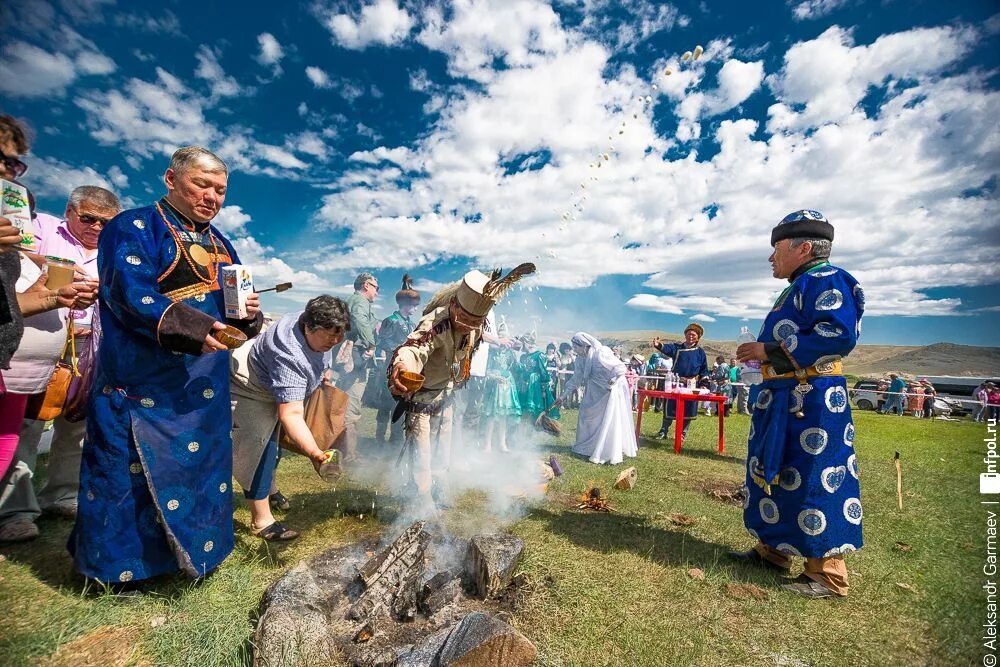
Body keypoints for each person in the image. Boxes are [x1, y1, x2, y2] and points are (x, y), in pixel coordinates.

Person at [69, 146, 263, 586]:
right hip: (141, 384)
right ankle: (118, 574)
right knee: (124, 475)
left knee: (201, 470)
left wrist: (247, 313)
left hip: (205, 385)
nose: (212, 196)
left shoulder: (223, 244)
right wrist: (191, 326)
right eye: (202, 184)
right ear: (171, 179)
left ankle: (196, 557)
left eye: (221, 190)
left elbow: (236, 315)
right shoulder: (133, 226)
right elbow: (128, 293)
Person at [731, 209, 863, 599]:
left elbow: (836, 335)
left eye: (777, 249)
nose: (771, 258)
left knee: (813, 475)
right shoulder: (799, 285)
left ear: (803, 248)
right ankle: (773, 551)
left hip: (814, 402)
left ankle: (827, 572)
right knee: (776, 471)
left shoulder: (829, 279)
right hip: (784, 397)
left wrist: (768, 349)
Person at [0, 186, 119, 543]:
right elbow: (13, 257)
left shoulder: (114, 251)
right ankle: (14, 509)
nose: (96, 227)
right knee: (26, 423)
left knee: (77, 422)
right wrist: (55, 270)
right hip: (34, 340)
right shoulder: (43, 229)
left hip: (89, 343)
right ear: (70, 212)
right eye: (88, 218)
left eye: (105, 222)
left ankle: (62, 495)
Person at [388, 265, 533, 511]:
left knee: (443, 450)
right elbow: (414, 348)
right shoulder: (436, 322)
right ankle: (421, 501)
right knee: (421, 454)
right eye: (464, 320)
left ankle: (439, 489)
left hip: (446, 397)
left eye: (475, 322)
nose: (468, 326)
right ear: (454, 305)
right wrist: (402, 365)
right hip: (421, 399)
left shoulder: (476, 326)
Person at [230, 296, 350, 540]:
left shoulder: (309, 320)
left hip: (275, 384)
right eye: (330, 335)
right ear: (308, 327)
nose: (336, 341)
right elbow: (291, 414)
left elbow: (318, 352)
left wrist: (320, 373)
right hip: (251, 389)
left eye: (340, 334)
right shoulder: (289, 356)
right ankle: (261, 521)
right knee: (259, 450)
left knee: (275, 448)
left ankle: (270, 490)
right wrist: (316, 455)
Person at [0, 115, 34, 483]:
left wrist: (54, 296)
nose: (7, 170)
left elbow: (11, 300)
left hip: (6, 357)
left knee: (6, 440)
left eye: (12, 161)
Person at [552, 332, 637, 465]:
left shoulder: (601, 353)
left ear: (584, 345)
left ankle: (604, 449)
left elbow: (620, 368)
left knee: (606, 419)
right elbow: (576, 379)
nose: (574, 349)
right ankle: (586, 447)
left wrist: (614, 380)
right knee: (585, 415)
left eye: (575, 347)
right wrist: (562, 397)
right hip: (593, 390)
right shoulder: (580, 359)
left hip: (609, 389)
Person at [372, 275, 420, 445]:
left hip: (405, 369)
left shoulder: (412, 325)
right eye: (414, 305)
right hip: (388, 368)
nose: (416, 308)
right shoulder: (390, 321)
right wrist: (400, 351)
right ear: (405, 304)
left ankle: (395, 440)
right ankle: (378, 440)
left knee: (400, 403)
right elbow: (382, 342)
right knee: (385, 404)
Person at [341, 272, 379, 462]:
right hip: (357, 359)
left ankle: (348, 450)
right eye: (376, 287)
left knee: (348, 403)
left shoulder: (355, 301)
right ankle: (350, 454)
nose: (377, 293)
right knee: (352, 406)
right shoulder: (360, 301)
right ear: (366, 285)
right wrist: (371, 344)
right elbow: (360, 321)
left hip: (354, 359)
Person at [652, 323, 708, 441]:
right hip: (676, 382)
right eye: (688, 334)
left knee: (688, 409)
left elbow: (704, 370)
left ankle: (682, 434)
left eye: (693, 335)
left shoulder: (700, 353)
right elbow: (667, 348)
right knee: (670, 407)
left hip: (691, 385)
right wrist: (659, 345)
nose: (690, 336)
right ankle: (663, 431)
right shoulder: (677, 348)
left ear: (698, 337)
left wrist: (703, 385)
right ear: (685, 335)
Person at [482, 344, 521, 453]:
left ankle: (502, 444)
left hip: (507, 386)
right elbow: (486, 370)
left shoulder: (510, 353)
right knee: (491, 415)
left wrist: (517, 351)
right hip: (494, 387)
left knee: (503, 415)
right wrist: (495, 377)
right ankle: (487, 444)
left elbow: (516, 368)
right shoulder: (492, 352)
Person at [516, 332, 558, 421]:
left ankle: (532, 432)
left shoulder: (539, 355)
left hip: (535, 388)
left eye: (522, 343)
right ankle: (523, 431)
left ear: (526, 343)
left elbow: (544, 372)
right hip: (524, 387)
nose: (521, 347)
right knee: (524, 411)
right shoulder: (523, 357)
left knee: (534, 411)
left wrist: (543, 389)